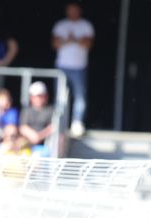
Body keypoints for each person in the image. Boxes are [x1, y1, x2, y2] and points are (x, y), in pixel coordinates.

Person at [51, 2, 94, 137]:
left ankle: (77, 122)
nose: (73, 12)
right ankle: (60, 123)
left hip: (79, 67)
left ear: (79, 10)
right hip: (62, 67)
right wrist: (74, 40)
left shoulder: (85, 25)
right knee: (61, 96)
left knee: (80, 96)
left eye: (75, 10)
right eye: (70, 10)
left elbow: (88, 43)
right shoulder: (61, 25)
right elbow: (55, 44)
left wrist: (71, 39)